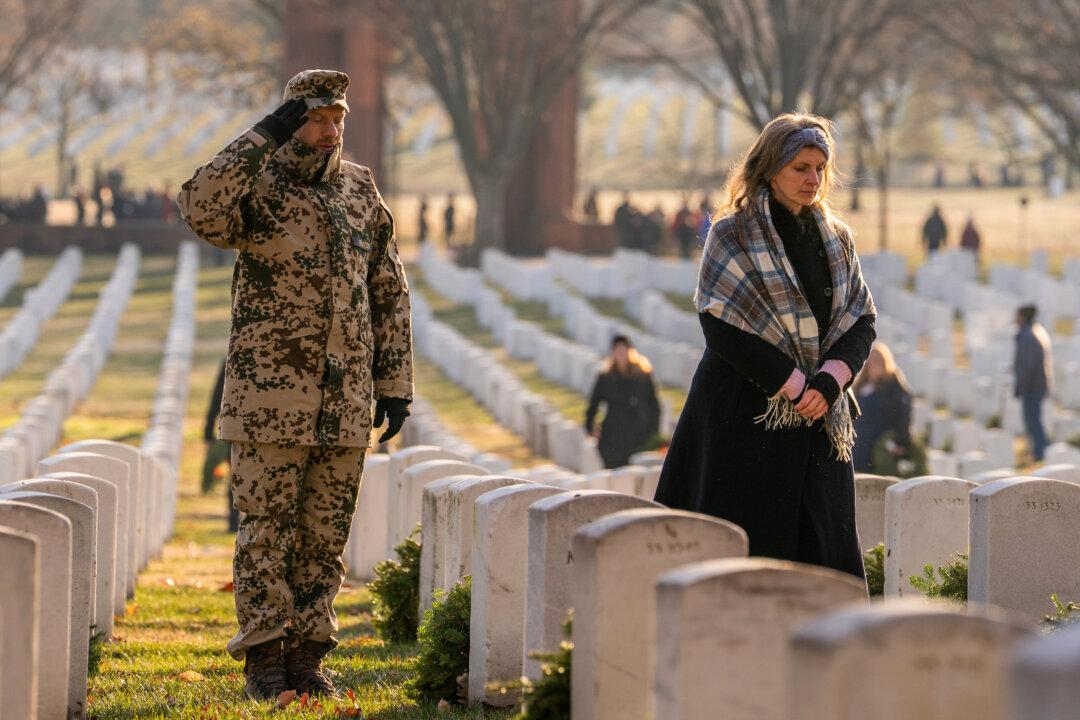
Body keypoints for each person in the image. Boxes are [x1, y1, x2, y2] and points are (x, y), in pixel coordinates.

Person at [178, 69, 413, 701]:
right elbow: (199, 206)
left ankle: (308, 656)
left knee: (324, 536)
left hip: (344, 402)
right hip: (269, 403)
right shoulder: (257, 188)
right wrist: (263, 137)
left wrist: (394, 381)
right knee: (265, 533)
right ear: (291, 120)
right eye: (317, 118)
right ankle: (264, 659)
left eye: (339, 119)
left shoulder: (360, 189)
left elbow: (387, 290)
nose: (331, 130)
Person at [654, 113, 877, 580]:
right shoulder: (732, 233)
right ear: (770, 167)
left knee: (823, 562)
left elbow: (862, 320)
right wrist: (794, 386)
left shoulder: (836, 239)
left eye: (820, 168)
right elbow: (721, 325)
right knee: (742, 559)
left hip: (820, 418)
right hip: (744, 418)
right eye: (800, 168)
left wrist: (827, 384)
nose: (813, 179)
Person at [585, 335, 661, 469]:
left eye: (623, 350)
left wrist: (653, 433)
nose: (621, 354)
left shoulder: (643, 376)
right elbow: (593, 406)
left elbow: (654, 406)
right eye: (617, 350)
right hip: (613, 437)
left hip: (640, 435)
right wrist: (591, 427)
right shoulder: (605, 377)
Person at [852, 343, 915, 474]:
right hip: (857, 442)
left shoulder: (893, 386)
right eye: (872, 362)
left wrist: (901, 441)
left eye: (879, 362)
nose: (875, 365)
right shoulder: (860, 386)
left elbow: (904, 414)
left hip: (879, 443)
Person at [1014, 304, 1052, 462]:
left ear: (1023, 317)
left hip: (1032, 387)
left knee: (1033, 421)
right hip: (1036, 385)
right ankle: (1040, 451)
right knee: (1033, 420)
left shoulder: (1028, 336)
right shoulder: (1034, 332)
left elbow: (1028, 366)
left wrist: (1020, 386)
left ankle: (1040, 453)